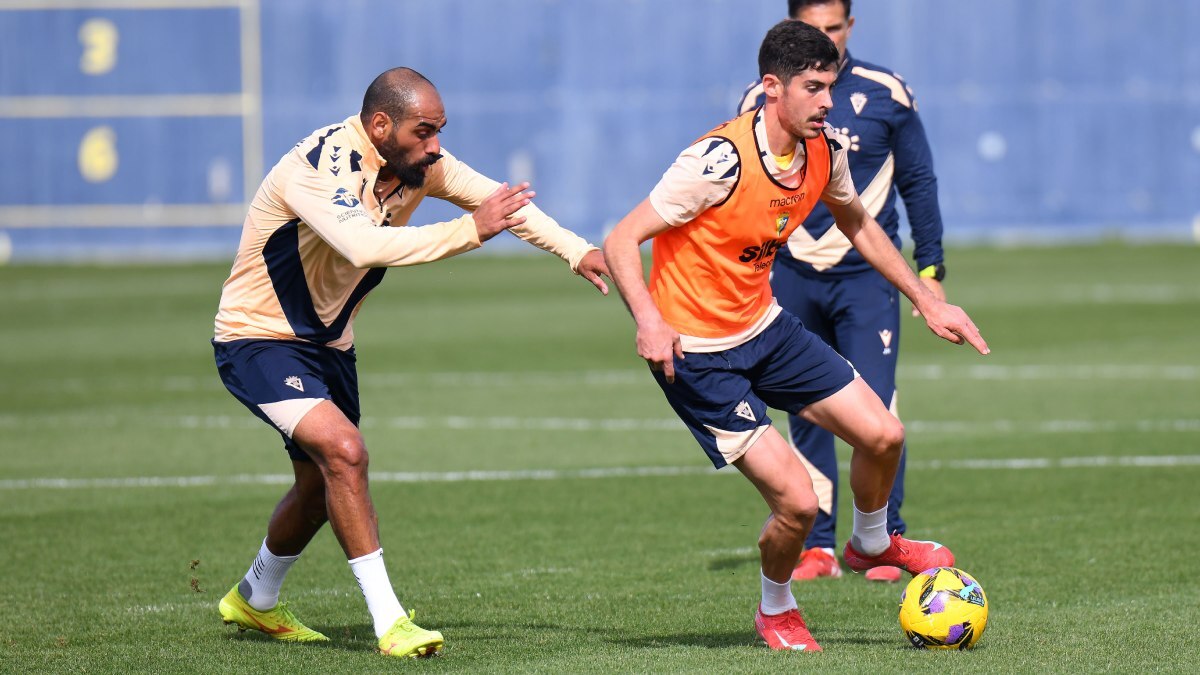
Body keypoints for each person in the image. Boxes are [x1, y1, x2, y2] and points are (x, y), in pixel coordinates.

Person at [603, 21, 987, 652]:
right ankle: (776, 608)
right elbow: (621, 239)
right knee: (799, 501)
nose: (827, 102)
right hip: (698, 356)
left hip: (766, 329)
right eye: (813, 88)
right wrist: (649, 319)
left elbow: (858, 221)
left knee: (884, 434)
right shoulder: (716, 162)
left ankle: (869, 540)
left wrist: (925, 296)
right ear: (772, 88)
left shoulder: (823, 152)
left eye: (830, 86)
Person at [211, 67, 609, 659]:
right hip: (258, 337)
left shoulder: (420, 165)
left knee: (320, 486)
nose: (435, 148)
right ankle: (390, 623)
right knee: (345, 453)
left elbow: (502, 203)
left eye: (440, 132)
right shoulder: (318, 168)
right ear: (380, 125)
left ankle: (255, 598)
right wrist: (472, 231)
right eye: (424, 132)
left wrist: (578, 250)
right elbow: (367, 246)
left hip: (330, 346)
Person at [736, 0, 949, 584]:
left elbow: (918, 180)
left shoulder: (887, 93)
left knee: (875, 410)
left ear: (850, 27)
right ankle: (819, 546)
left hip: (865, 277)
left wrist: (930, 267)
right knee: (805, 406)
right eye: (813, 30)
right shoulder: (760, 105)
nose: (825, 39)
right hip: (793, 270)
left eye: (834, 28)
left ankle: (883, 536)